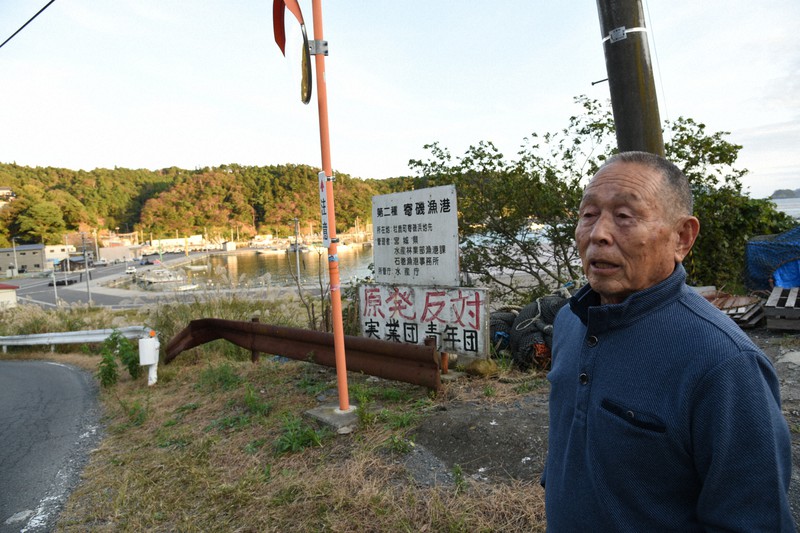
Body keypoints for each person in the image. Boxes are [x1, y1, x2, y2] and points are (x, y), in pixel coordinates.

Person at [542, 151, 795, 531]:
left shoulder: (725, 362)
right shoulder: (570, 321)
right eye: (588, 214)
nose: (598, 234)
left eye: (625, 217)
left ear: (682, 237)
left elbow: (754, 520)